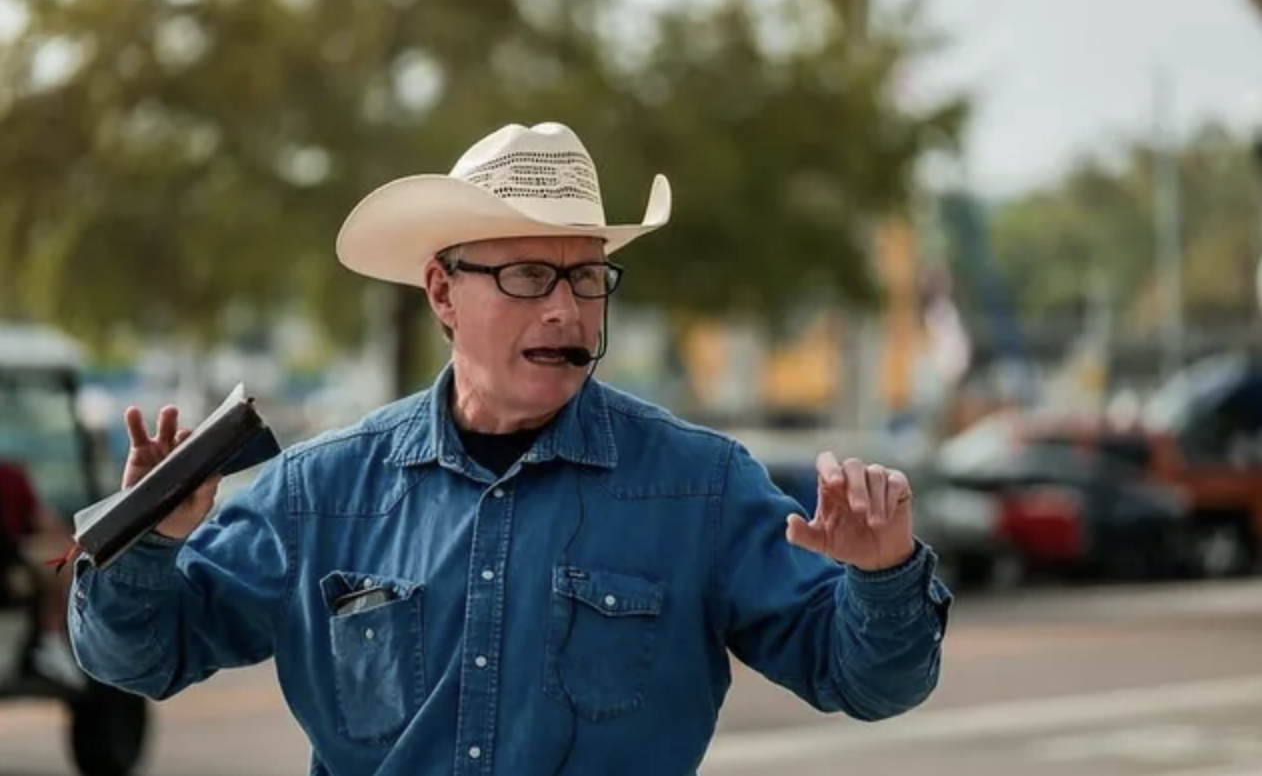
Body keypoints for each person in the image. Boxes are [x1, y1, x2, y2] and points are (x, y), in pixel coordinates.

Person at [69, 122, 953, 775]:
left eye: (585, 277)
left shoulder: (699, 489)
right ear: (442, 293)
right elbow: (139, 658)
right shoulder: (320, 492)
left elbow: (869, 684)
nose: (566, 310)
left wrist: (881, 577)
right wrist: (148, 541)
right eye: (528, 277)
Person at [0, 458, 87, 690]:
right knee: (62, 561)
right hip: (10, 559)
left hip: (14, 558)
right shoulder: (10, 474)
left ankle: (51, 639)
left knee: (64, 557)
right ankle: (51, 638)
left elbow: (42, 517)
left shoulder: (11, 475)